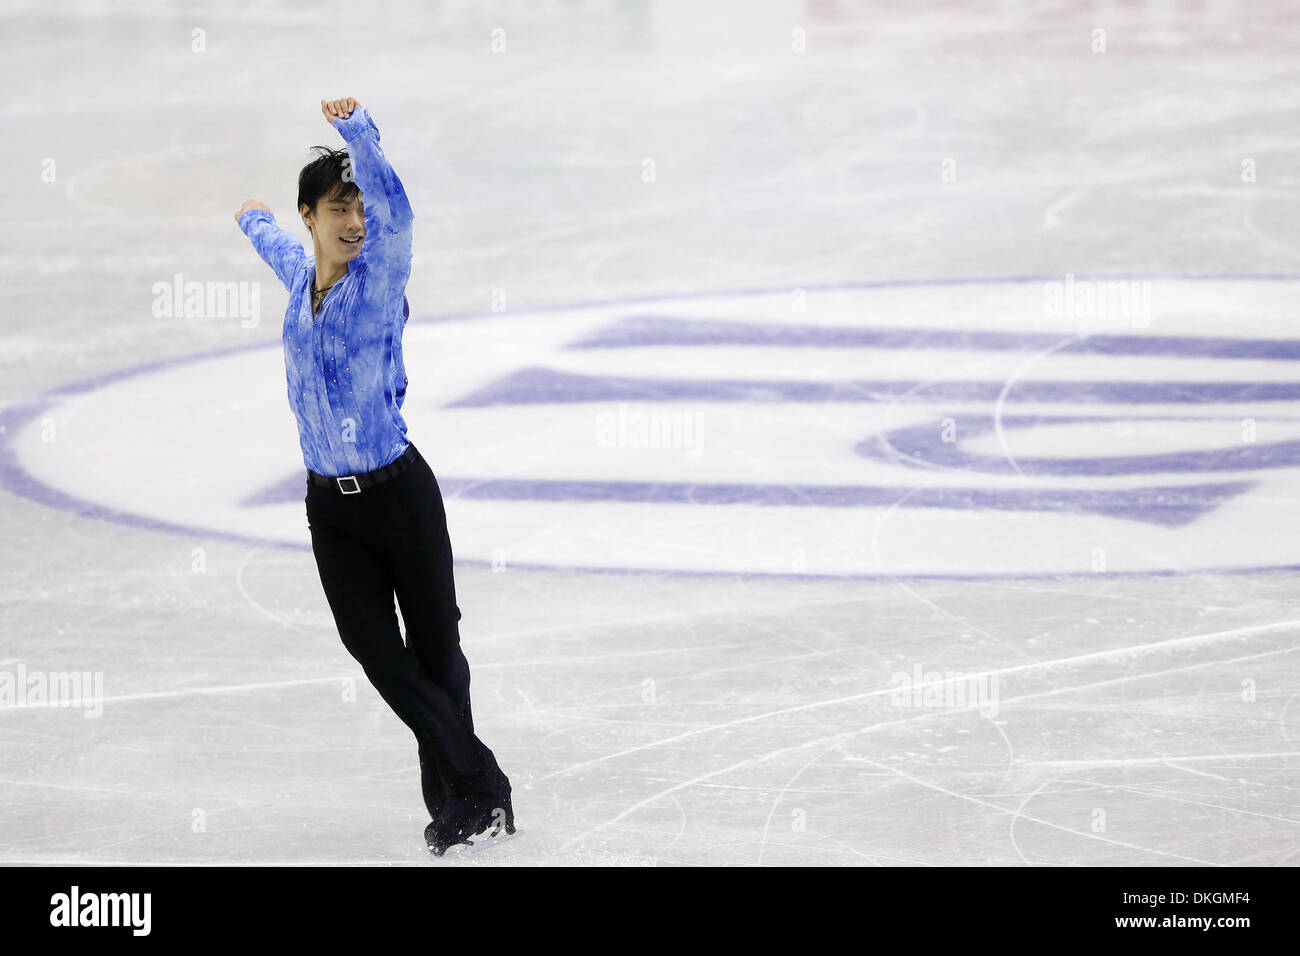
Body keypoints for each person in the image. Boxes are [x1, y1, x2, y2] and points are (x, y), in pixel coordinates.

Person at [235, 97, 513, 855]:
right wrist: (253, 219)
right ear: (310, 216)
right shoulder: (302, 283)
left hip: (400, 498)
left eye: (359, 211)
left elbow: (400, 214)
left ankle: (466, 799)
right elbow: (280, 251)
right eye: (338, 210)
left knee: (436, 653)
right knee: (374, 651)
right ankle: (479, 783)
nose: (355, 223)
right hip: (332, 511)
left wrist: (361, 136)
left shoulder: (380, 280)